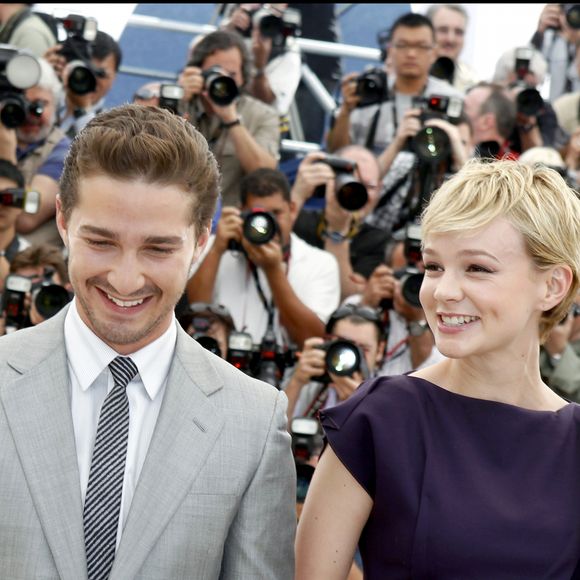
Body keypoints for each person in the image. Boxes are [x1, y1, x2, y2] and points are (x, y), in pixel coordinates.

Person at [0, 104, 296, 579]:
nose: (125, 278)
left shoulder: (253, 423)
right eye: (101, 242)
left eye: (158, 248)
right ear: (62, 221)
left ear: (201, 242)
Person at [295, 158, 580, 578]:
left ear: (553, 285)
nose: (443, 291)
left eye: (477, 268)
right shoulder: (381, 418)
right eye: (433, 266)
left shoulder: (573, 446)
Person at [187, 167, 340, 350]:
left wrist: (273, 270)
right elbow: (196, 309)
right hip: (220, 362)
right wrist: (217, 249)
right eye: (258, 215)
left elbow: (311, 339)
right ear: (240, 212)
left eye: (276, 213)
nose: (266, 224)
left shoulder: (320, 263)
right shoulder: (213, 247)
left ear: (292, 210)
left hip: (284, 374)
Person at [179, 28, 280, 207]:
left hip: (228, 221)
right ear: (197, 71)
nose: (222, 81)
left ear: (243, 77)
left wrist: (232, 119)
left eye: (232, 75)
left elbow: (264, 176)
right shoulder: (177, 101)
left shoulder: (262, 115)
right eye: (215, 72)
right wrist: (177, 103)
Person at [291, 145, 388, 300]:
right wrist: (297, 195)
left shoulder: (378, 241)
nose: (359, 192)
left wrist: (337, 231)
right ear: (329, 182)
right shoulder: (299, 220)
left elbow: (346, 298)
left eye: (369, 186)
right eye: (351, 182)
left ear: (380, 190)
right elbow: (267, 247)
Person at [0, 57, 71, 250]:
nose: (31, 114)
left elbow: (25, 216)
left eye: (40, 105)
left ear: (56, 107)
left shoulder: (64, 152)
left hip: (25, 263)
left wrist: (6, 153)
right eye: (23, 104)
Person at [283, 303, 386, 419]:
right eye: (343, 346)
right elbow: (274, 431)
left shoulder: (386, 395)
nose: (352, 356)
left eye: (363, 349)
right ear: (327, 342)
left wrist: (362, 406)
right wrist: (296, 382)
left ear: (379, 351)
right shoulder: (311, 379)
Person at [45, 30, 123, 138]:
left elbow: (99, 151)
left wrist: (83, 111)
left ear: (114, 78)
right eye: (85, 71)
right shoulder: (46, 100)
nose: (92, 80)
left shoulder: (115, 129)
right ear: (66, 65)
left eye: (101, 74)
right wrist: (41, 74)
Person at [426, 3, 479, 93]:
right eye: (443, 30)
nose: (451, 39)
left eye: (458, 32)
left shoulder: (473, 82)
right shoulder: (406, 73)